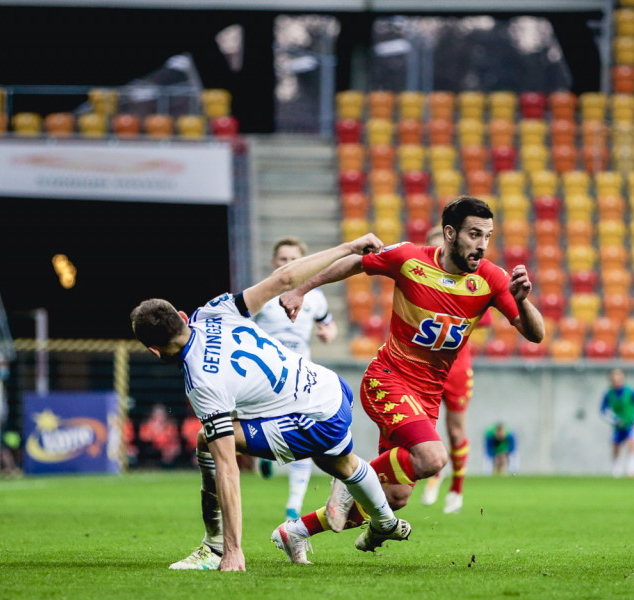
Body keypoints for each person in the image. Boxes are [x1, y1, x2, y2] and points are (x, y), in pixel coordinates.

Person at [130, 233, 411, 572]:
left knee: (209, 441)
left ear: (154, 350)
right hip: (328, 386)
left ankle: (216, 548)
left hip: (312, 417)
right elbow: (284, 279)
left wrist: (235, 550)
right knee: (342, 464)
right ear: (182, 315)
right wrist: (349, 247)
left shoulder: (200, 382)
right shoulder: (213, 310)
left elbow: (228, 470)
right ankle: (383, 521)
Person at [278, 196, 544, 543]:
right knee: (433, 457)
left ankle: (296, 531)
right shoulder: (409, 259)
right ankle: (347, 480)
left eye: (488, 236)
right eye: (474, 235)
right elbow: (356, 263)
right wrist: (302, 290)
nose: (482, 245)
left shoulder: (492, 279)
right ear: (450, 233)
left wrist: (522, 300)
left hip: (426, 396)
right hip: (387, 379)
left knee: (396, 497)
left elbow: (535, 335)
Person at [253, 237, 339, 520]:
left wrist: (329, 333)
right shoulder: (261, 295)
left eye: (293, 259)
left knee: (305, 434)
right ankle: (262, 457)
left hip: (300, 375)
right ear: (273, 263)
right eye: (282, 259)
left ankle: (293, 507)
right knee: (257, 430)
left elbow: (328, 323)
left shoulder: (314, 296)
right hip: (263, 377)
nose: (287, 264)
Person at [419, 226, 480, 513]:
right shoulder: (417, 281)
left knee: (456, 432)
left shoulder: (470, 282)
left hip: (456, 367)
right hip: (424, 367)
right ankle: (433, 473)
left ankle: (457, 486)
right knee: (422, 428)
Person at [600, 368, 634, 478]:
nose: (616, 379)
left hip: (631, 423)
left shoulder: (630, 390)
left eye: (618, 376)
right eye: (614, 377)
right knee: (615, 445)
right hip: (618, 425)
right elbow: (603, 410)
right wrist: (614, 420)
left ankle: (632, 469)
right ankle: (616, 469)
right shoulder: (609, 393)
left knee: (631, 443)